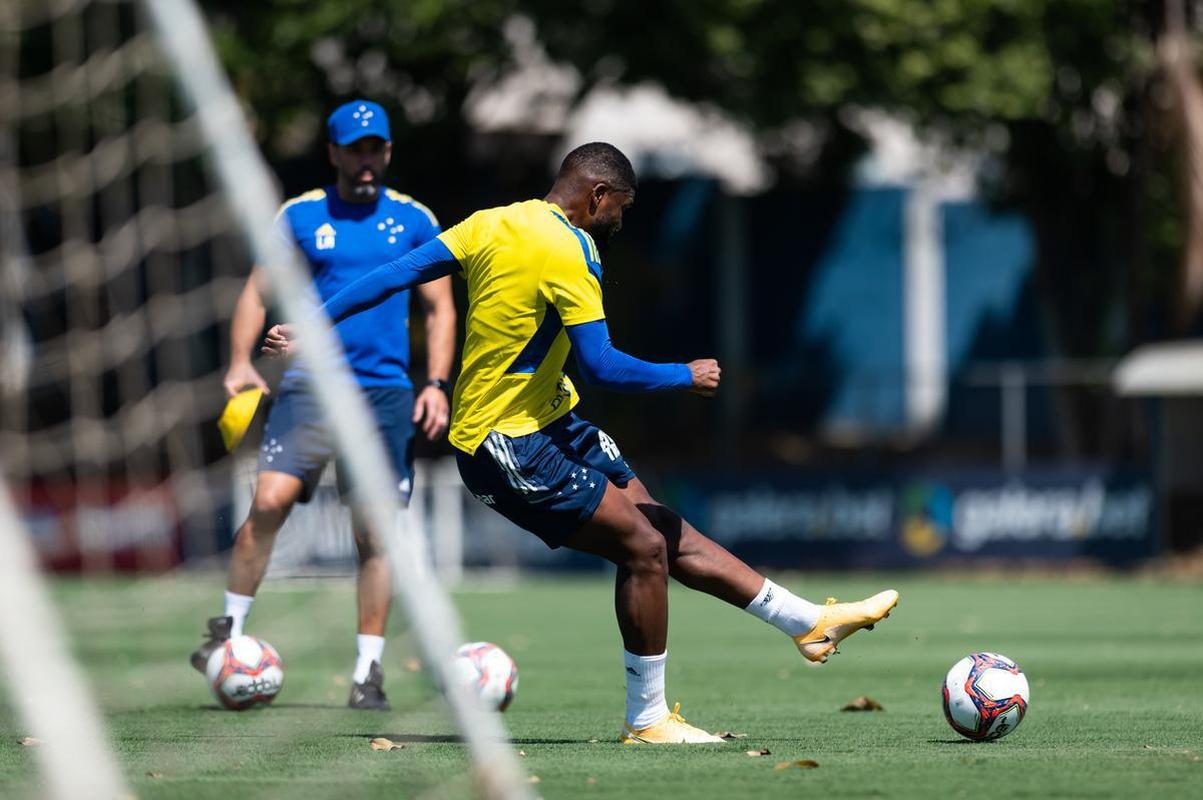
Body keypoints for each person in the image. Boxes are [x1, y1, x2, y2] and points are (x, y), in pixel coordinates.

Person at [264, 142, 898, 740]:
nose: (619, 220)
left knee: (661, 527)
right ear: (597, 195)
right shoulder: (571, 251)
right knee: (643, 548)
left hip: (551, 420)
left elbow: (396, 273)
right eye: (621, 207)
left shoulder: (490, 223)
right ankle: (647, 720)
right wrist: (685, 375)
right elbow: (603, 365)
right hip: (503, 442)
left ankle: (807, 623)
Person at [191, 100, 456, 711]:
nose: (367, 159)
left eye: (376, 148)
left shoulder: (415, 219)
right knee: (269, 501)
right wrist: (239, 362)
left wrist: (437, 384)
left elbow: (440, 308)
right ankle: (228, 632)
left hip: (384, 394)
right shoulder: (301, 215)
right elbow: (257, 291)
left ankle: (368, 672)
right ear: (334, 153)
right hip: (311, 386)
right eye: (355, 148)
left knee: (375, 533)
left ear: (387, 153)